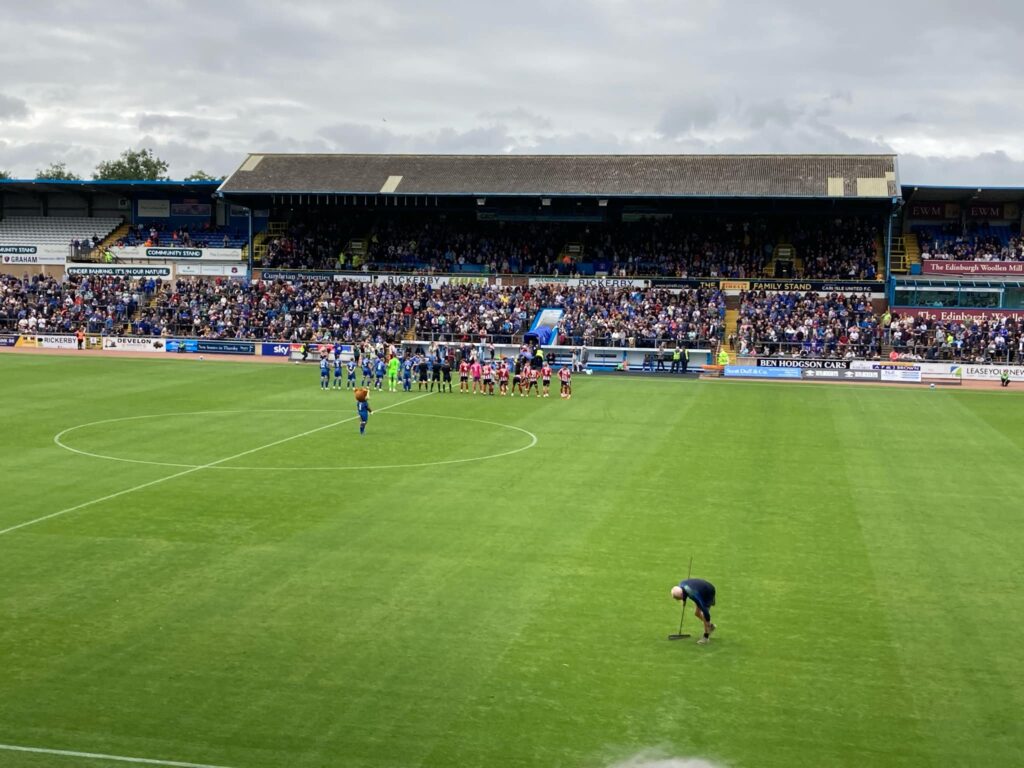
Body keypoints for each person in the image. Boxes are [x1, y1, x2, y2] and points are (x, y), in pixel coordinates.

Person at [671, 578, 717, 645]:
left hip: (708, 592)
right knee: (697, 613)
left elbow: (704, 609)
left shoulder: (693, 594)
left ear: (681, 594)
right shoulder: (681, 585)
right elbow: (684, 591)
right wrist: (684, 600)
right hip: (699, 590)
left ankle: (706, 637)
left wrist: (707, 620)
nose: (678, 600)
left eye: (679, 598)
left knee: (704, 615)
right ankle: (710, 626)